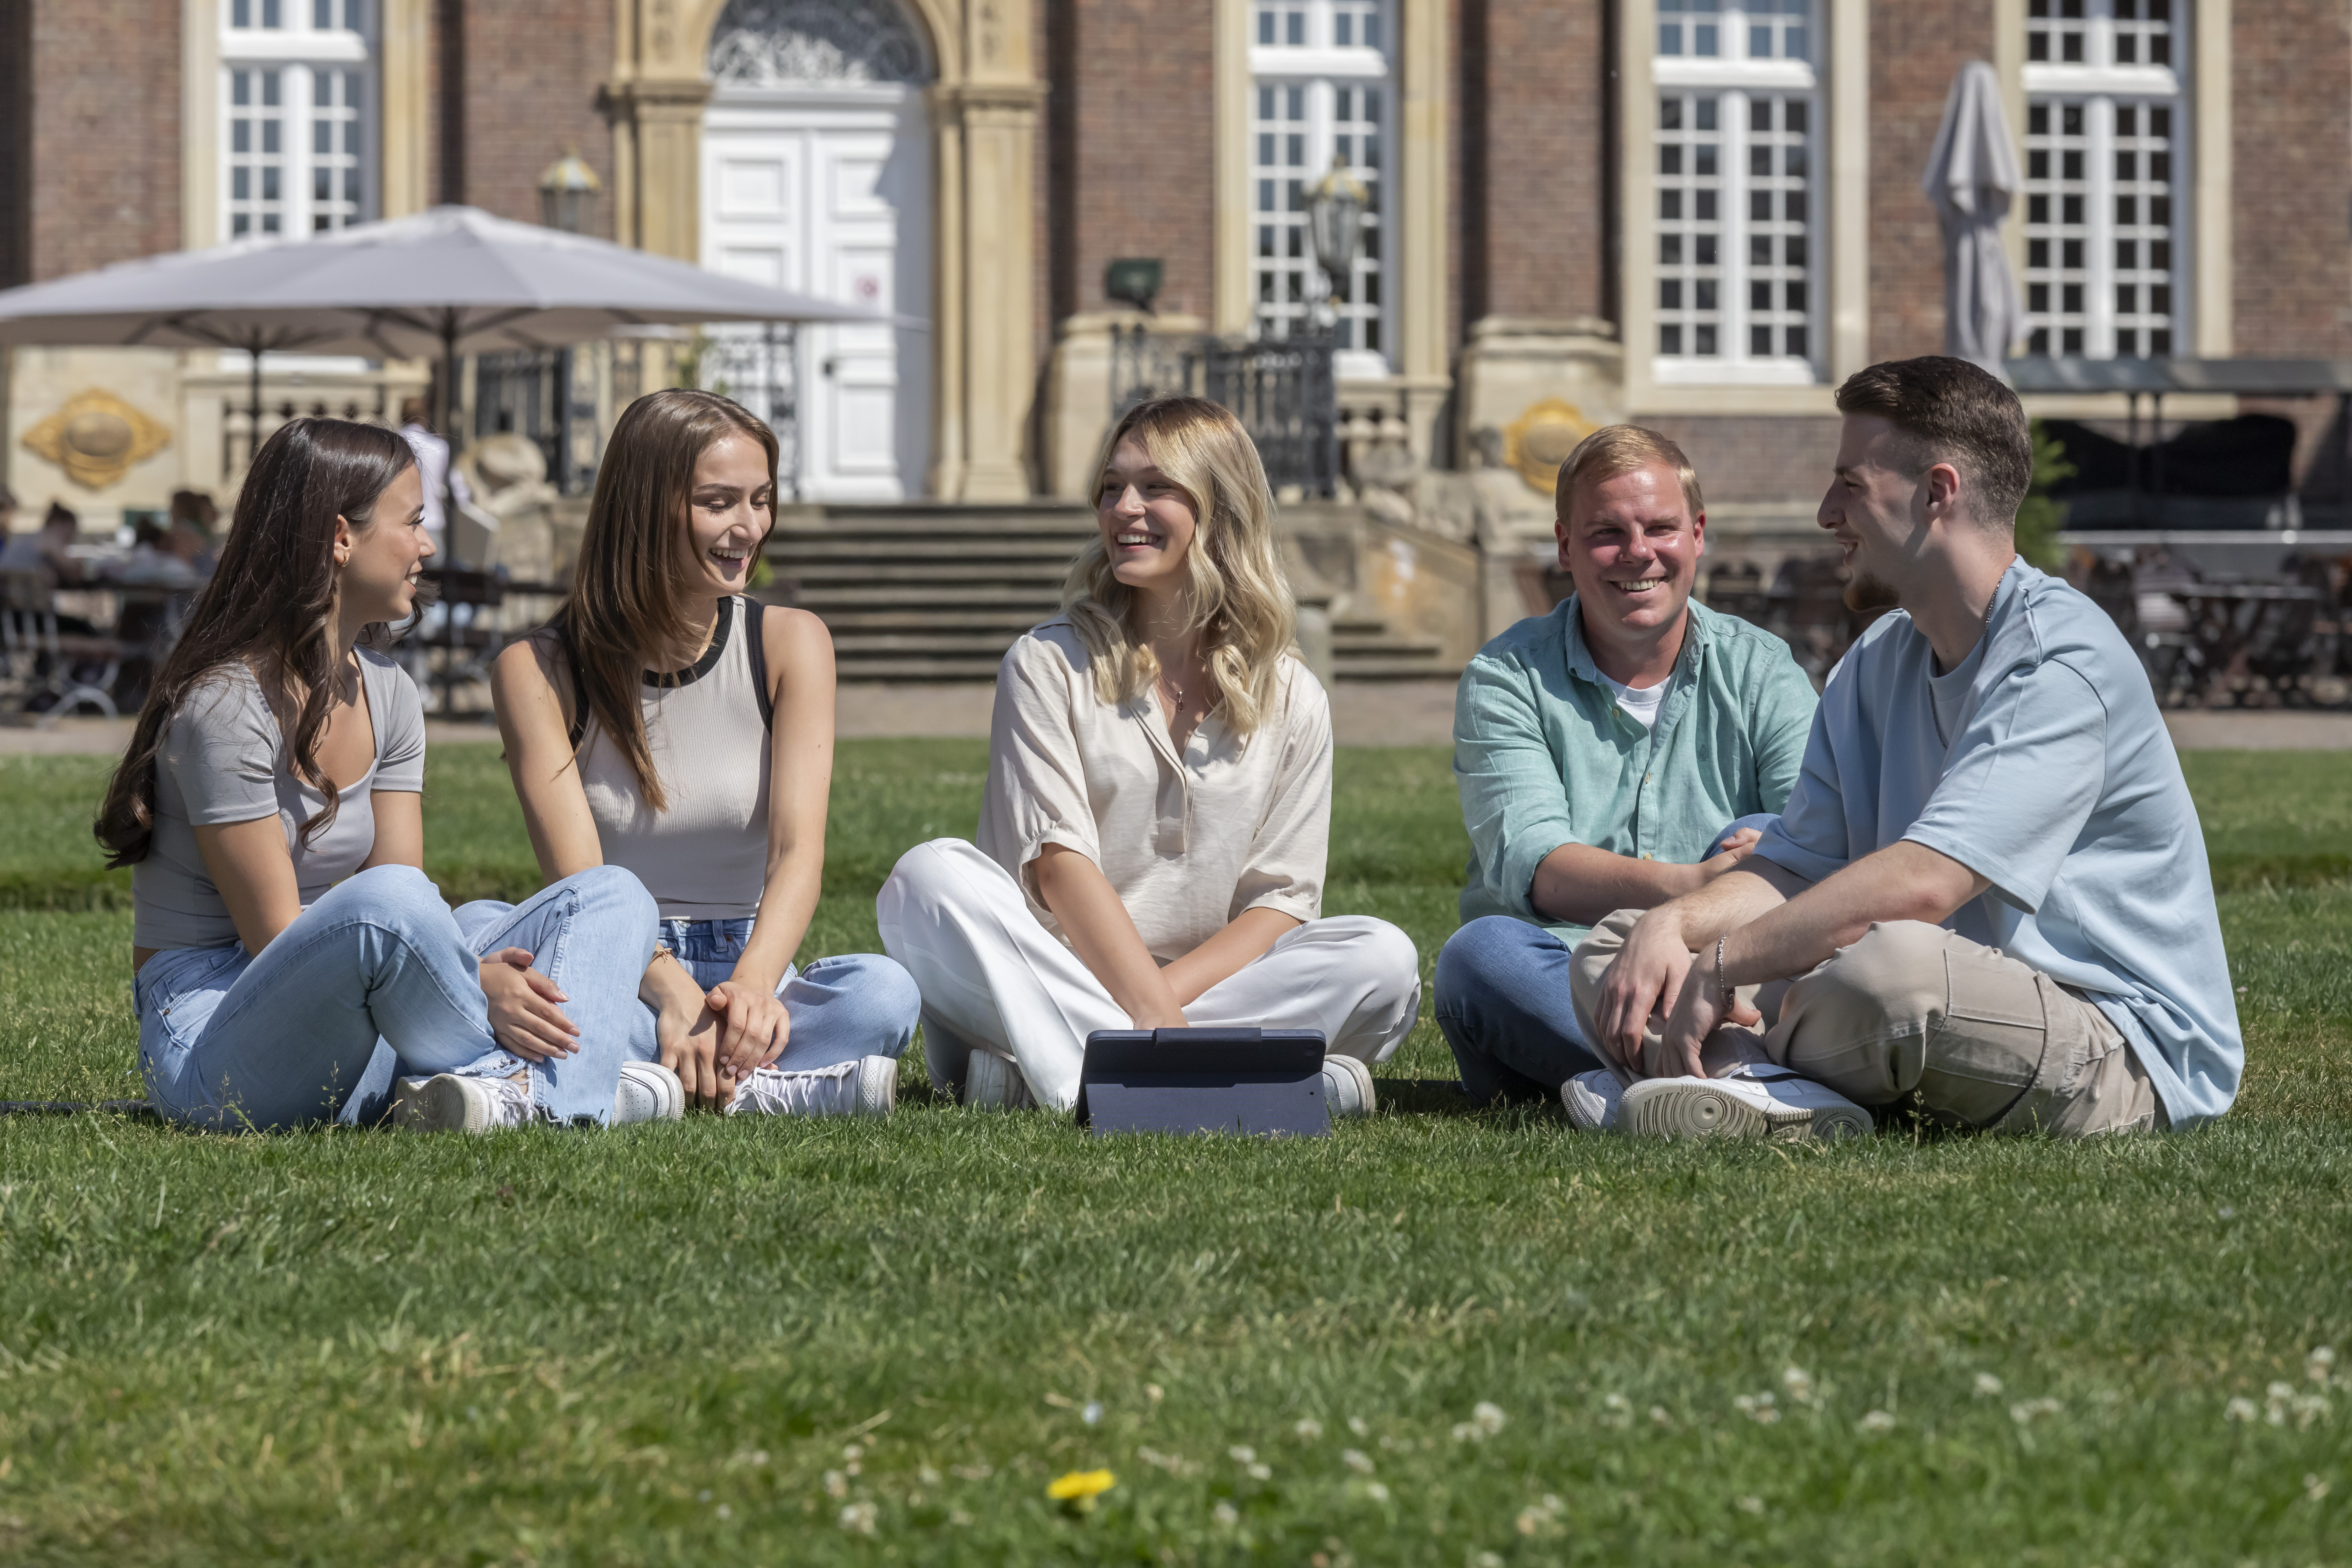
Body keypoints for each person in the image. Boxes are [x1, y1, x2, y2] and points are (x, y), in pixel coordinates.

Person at [1577, 356, 2241, 1140]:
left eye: (1849, 484)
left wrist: (1721, 963)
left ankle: (1732, 1067)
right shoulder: (1879, 658)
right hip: (1928, 996)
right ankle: (1772, 1086)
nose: (1827, 512)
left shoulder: (2061, 662)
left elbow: (1927, 882)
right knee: (1619, 947)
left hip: (2116, 1042)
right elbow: (1793, 865)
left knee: (1890, 974)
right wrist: (1677, 927)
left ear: (1938, 492)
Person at [96, 417, 675, 1133]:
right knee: (399, 907)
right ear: (342, 537)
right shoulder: (225, 704)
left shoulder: (391, 691)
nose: (428, 546)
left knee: (606, 896)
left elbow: (415, 909)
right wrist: (475, 985)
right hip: (217, 1039)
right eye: (414, 522)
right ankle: (557, 1085)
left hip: (359, 1018)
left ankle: (532, 1093)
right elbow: (276, 936)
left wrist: (473, 970)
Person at [876, 395, 1422, 1115]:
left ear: (1220, 507)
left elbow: (1281, 905)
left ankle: (1060, 1074)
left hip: (1187, 994)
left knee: (1383, 956)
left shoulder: (1294, 695)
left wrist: (1163, 1009)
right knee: (928, 877)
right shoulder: (1047, 662)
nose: (1124, 508)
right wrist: (1155, 1020)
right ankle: (1221, 1074)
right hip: (1042, 971)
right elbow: (1058, 866)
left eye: (1156, 486)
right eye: (1111, 488)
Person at [490, 388, 919, 1120]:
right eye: (719, 502)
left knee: (885, 993)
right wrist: (672, 994)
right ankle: (762, 1085)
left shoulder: (792, 642)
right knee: (521, 981)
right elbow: (583, 880)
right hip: (617, 970)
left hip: (748, 964)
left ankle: (647, 1081)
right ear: (644, 507)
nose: (749, 526)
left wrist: (749, 990)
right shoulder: (539, 667)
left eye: (761, 499)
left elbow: (796, 856)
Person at [1433, 426, 1819, 1112]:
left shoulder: (1763, 668)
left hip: (1726, 973)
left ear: (1698, 534)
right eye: (1607, 532)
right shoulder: (1505, 677)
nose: (1638, 552)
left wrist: (1704, 921)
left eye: (1660, 527)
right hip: (1566, 974)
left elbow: (1818, 843)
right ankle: (1736, 1074)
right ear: (1565, 547)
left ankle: (1629, 1084)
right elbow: (1541, 869)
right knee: (1481, 955)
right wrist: (1692, 887)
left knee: (1768, 831)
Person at [398, 396, 473, 554]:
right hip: (432, 522)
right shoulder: (439, 447)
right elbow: (459, 487)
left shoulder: (393, 444)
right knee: (435, 576)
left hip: (400, 525)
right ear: (425, 416)